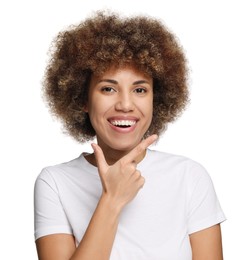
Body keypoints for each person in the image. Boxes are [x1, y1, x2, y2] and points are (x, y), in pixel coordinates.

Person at [34, 11, 226, 260]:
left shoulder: (190, 177)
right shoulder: (55, 183)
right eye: (108, 88)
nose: (125, 104)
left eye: (139, 89)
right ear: (83, 98)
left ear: (155, 99)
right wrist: (112, 200)